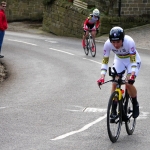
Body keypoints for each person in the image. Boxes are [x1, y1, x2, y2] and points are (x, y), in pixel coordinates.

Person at [97, 26, 141, 119]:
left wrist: (132, 75)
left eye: (118, 42)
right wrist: (102, 77)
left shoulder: (129, 42)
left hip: (131, 60)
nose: (115, 45)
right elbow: (105, 62)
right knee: (115, 83)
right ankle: (113, 109)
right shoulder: (107, 44)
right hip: (119, 60)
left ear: (122, 39)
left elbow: (133, 61)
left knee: (128, 83)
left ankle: (135, 103)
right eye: (113, 42)